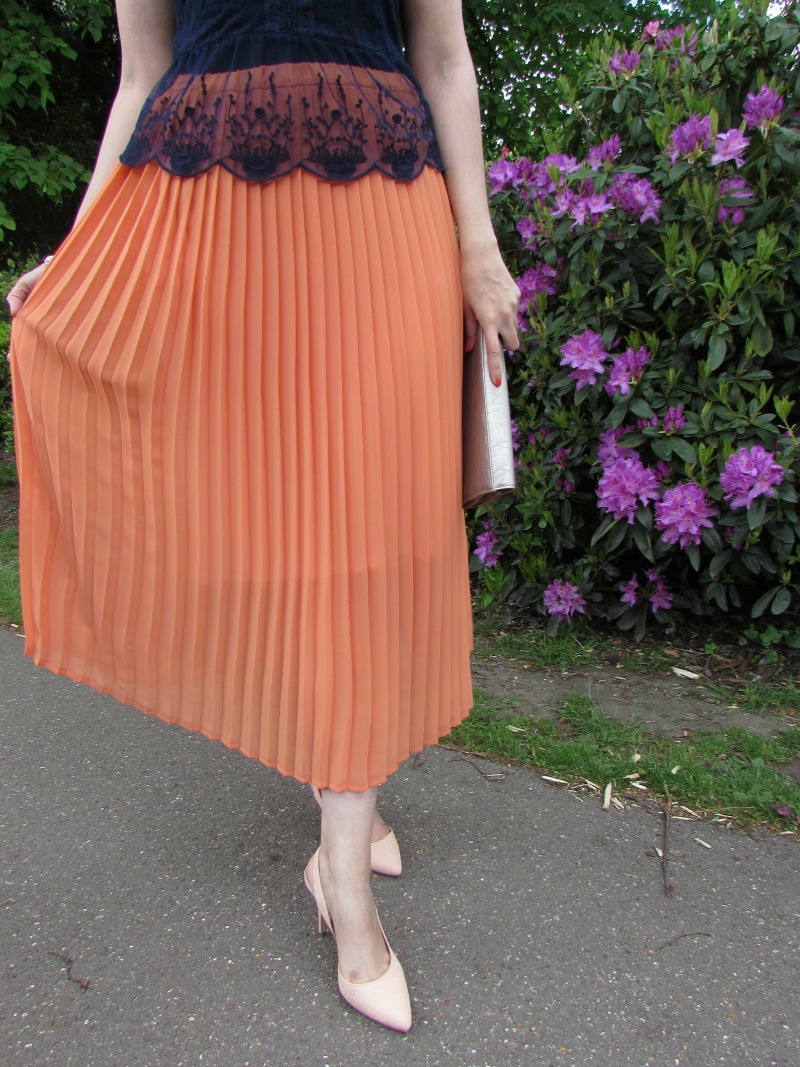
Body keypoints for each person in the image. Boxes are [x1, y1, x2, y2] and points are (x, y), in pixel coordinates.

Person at [7, 0, 520, 1032]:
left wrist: (477, 245)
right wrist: (77, 249)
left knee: (375, 526)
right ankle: (348, 798)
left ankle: (343, 869)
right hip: (211, 227)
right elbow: (141, 75)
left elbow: (444, 57)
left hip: (381, 220)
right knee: (274, 525)